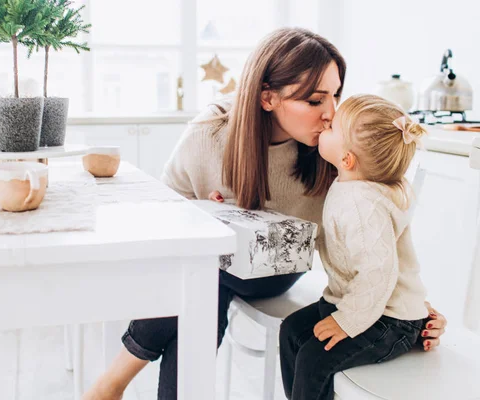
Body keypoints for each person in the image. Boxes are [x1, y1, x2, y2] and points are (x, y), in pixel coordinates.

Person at [83, 28, 447, 400]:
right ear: (267, 97)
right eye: (315, 100)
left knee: (203, 283)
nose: (331, 114)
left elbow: (379, 244)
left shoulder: (337, 152)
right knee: (202, 286)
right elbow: (166, 206)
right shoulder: (211, 133)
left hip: (274, 273)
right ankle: (114, 386)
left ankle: (110, 383)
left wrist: (414, 311)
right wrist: (205, 215)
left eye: (336, 95)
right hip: (206, 265)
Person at [279, 94, 432, 400]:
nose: (325, 124)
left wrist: (345, 321)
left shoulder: (364, 206)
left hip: (391, 319)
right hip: (358, 302)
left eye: (332, 127)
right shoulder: (350, 182)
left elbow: (378, 275)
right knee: (291, 331)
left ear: (347, 158)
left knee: (313, 358)